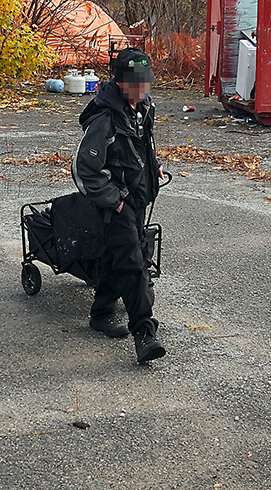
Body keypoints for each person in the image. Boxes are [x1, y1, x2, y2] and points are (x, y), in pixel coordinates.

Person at [71, 47, 166, 364]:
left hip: (139, 198)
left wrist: (154, 168)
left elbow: (142, 148)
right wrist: (115, 202)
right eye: (135, 83)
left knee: (116, 257)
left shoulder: (142, 109)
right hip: (117, 203)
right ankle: (144, 333)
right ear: (120, 82)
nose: (142, 89)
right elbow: (84, 170)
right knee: (132, 262)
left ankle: (101, 314)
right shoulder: (105, 119)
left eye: (145, 82)